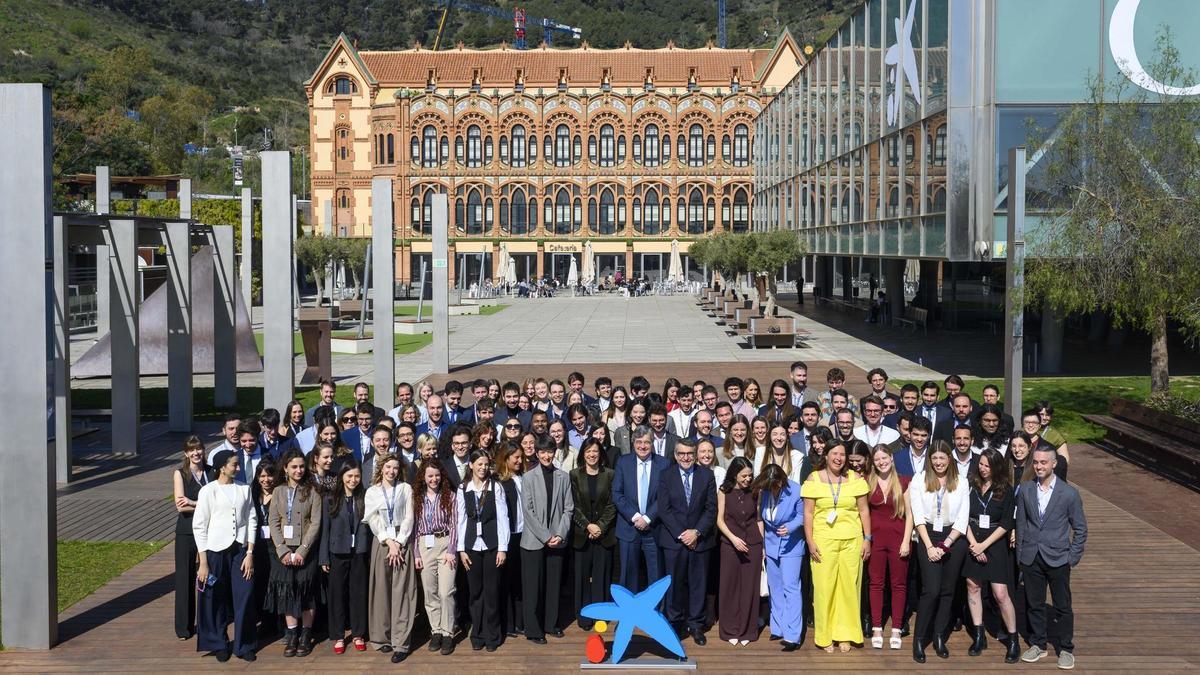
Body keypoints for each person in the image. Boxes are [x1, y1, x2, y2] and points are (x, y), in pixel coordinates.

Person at [1016, 448, 1087, 670]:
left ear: (1054, 464)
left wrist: (1071, 557)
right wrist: (1021, 554)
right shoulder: (1026, 490)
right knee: (1034, 603)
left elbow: (1080, 529)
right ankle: (1038, 643)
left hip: (1058, 558)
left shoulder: (1069, 493)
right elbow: (1021, 525)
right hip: (1031, 556)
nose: (1039, 466)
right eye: (1036, 462)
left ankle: (1065, 648)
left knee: (1062, 605)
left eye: (1044, 462)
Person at [802, 442, 871, 653]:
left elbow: (864, 511)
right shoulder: (814, 478)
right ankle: (825, 635)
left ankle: (846, 634)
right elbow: (808, 513)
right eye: (835, 453)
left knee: (849, 588)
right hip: (823, 541)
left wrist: (867, 538)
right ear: (827, 454)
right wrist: (810, 541)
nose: (839, 458)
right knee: (824, 588)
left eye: (842, 454)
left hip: (852, 540)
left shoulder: (855, 479)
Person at [192, 449, 258, 663]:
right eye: (234, 465)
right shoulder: (208, 491)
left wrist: (249, 552)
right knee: (214, 598)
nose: (238, 468)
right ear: (222, 467)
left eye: (238, 464)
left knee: (245, 594)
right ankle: (218, 642)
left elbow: (252, 520)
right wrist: (203, 562)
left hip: (239, 550)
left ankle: (244, 643)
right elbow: (199, 526)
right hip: (214, 551)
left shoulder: (244, 489)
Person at [908, 441, 970, 662]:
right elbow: (917, 515)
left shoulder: (961, 482)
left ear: (949, 459)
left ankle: (939, 636)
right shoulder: (919, 479)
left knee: (947, 591)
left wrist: (945, 546)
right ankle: (919, 639)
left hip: (953, 539)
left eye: (942, 458)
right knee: (931, 590)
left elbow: (963, 518)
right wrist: (930, 547)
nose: (938, 462)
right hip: (927, 537)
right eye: (934, 458)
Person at [962, 448, 1020, 663]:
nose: (983, 469)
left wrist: (984, 545)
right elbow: (963, 516)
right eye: (981, 464)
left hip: (994, 543)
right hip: (972, 539)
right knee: (973, 585)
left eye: (988, 465)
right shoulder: (971, 486)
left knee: (1000, 593)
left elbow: (1006, 523)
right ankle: (979, 634)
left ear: (997, 467)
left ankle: (1013, 639)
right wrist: (974, 544)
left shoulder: (1006, 490)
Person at [657, 438, 717, 645]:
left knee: (698, 585)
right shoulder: (666, 475)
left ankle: (696, 625)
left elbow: (711, 509)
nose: (685, 457)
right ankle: (675, 624)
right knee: (674, 585)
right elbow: (664, 509)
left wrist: (697, 533)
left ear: (695, 455)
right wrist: (683, 534)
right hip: (674, 541)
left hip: (700, 541)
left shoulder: (706, 475)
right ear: (675, 455)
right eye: (681, 454)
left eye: (689, 454)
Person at [265, 449, 322, 658]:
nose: (298, 470)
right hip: (284, 552)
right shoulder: (279, 491)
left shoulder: (313, 490)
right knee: (287, 591)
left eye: (301, 466)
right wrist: (282, 549)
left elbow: (316, 522)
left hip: (305, 551)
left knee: (306, 593)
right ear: (286, 469)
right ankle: (292, 634)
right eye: (294, 467)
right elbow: (273, 521)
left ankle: (306, 635)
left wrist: (303, 550)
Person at [364, 453, 418, 662]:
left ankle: (401, 642)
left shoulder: (406, 488)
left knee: (402, 592)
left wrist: (400, 542)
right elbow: (373, 519)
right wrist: (389, 542)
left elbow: (409, 516)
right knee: (382, 591)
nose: (391, 471)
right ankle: (382, 637)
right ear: (381, 468)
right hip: (382, 542)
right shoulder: (372, 492)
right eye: (387, 467)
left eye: (395, 468)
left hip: (402, 542)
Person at [521, 436, 575, 644]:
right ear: (536, 453)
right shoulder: (528, 477)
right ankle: (534, 630)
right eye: (542, 452)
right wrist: (546, 536)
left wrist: (560, 534)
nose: (546, 455)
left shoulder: (563, 476)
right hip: (534, 540)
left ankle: (551, 624)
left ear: (554, 452)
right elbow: (528, 511)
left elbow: (568, 508)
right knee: (534, 587)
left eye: (549, 451)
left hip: (557, 539)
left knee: (553, 585)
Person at [456, 450, 510, 652]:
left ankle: (492, 636)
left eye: (486, 464)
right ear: (471, 465)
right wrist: (461, 549)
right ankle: (477, 635)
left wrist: (502, 549)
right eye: (479, 464)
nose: (483, 468)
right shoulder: (463, 489)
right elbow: (460, 520)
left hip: (492, 546)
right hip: (471, 547)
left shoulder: (496, 487)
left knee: (492, 591)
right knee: (475, 593)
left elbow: (503, 519)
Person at [320, 458, 371, 656]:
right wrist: (324, 557)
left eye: (357, 476)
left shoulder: (364, 497)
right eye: (349, 476)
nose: (353, 480)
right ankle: (339, 635)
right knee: (337, 595)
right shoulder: (331, 499)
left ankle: (358, 633)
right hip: (337, 552)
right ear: (342, 477)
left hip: (358, 551)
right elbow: (325, 530)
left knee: (358, 593)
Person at [866, 444, 913, 651]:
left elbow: (910, 514)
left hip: (897, 538)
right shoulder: (867, 482)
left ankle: (896, 627)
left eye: (884, 458)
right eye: (877, 459)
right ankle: (877, 627)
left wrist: (906, 541)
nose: (881, 462)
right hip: (875, 539)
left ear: (891, 458)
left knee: (898, 585)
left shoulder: (904, 481)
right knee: (876, 584)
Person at [612, 426, 669, 592]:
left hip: (654, 529)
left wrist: (648, 518)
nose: (643, 446)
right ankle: (630, 615)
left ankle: (655, 614)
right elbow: (617, 493)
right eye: (639, 442)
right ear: (633, 443)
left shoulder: (663, 464)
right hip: (629, 529)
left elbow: (664, 497)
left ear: (653, 443)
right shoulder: (623, 462)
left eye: (646, 442)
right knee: (629, 575)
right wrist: (636, 517)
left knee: (656, 577)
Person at [756, 463, 806, 651]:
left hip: (791, 545)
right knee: (774, 587)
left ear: (781, 481)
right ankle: (778, 628)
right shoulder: (765, 491)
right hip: (770, 544)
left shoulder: (796, 490)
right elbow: (761, 518)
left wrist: (791, 527)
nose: (771, 489)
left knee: (791, 587)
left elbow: (803, 516)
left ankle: (793, 636)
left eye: (774, 485)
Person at [412, 459, 459, 656]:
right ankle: (436, 631)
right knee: (430, 591)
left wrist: (452, 549)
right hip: (425, 545)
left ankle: (448, 632)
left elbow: (456, 524)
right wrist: (416, 552)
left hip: (445, 542)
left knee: (446, 591)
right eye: (430, 475)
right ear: (423, 477)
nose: (434, 479)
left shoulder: (451, 496)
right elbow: (414, 527)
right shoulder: (417, 498)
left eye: (437, 475)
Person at [570, 439, 617, 630]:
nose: (592, 455)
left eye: (595, 451)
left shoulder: (610, 474)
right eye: (588, 451)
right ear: (583, 453)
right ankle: (584, 616)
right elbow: (573, 505)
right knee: (582, 577)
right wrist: (588, 526)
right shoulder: (574, 475)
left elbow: (612, 505)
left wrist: (600, 527)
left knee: (601, 576)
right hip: (582, 534)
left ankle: (601, 615)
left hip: (603, 535)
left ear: (601, 453)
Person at [715, 456, 762, 646]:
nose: (748, 479)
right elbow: (719, 520)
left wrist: (763, 545)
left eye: (750, 475)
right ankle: (730, 630)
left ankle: (747, 631)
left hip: (753, 544)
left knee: (750, 588)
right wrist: (733, 539)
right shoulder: (724, 491)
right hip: (730, 544)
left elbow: (759, 519)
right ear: (735, 475)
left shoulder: (755, 491)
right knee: (729, 587)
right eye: (744, 476)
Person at [173, 436, 211, 640]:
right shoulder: (180, 474)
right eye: (192, 450)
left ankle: (207, 621)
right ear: (186, 453)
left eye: (199, 449)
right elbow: (181, 506)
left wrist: (193, 502)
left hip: (209, 530)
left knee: (208, 575)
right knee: (185, 577)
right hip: (186, 530)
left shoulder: (211, 472)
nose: (196, 453)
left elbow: (216, 500)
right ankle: (184, 627)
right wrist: (201, 504)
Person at [495, 444, 526, 637]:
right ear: (506, 458)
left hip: (524, 535)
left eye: (521, 457)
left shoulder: (523, 478)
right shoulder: (498, 482)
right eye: (516, 457)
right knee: (505, 581)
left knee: (520, 581)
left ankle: (520, 622)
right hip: (507, 537)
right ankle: (508, 623)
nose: (520, 461)